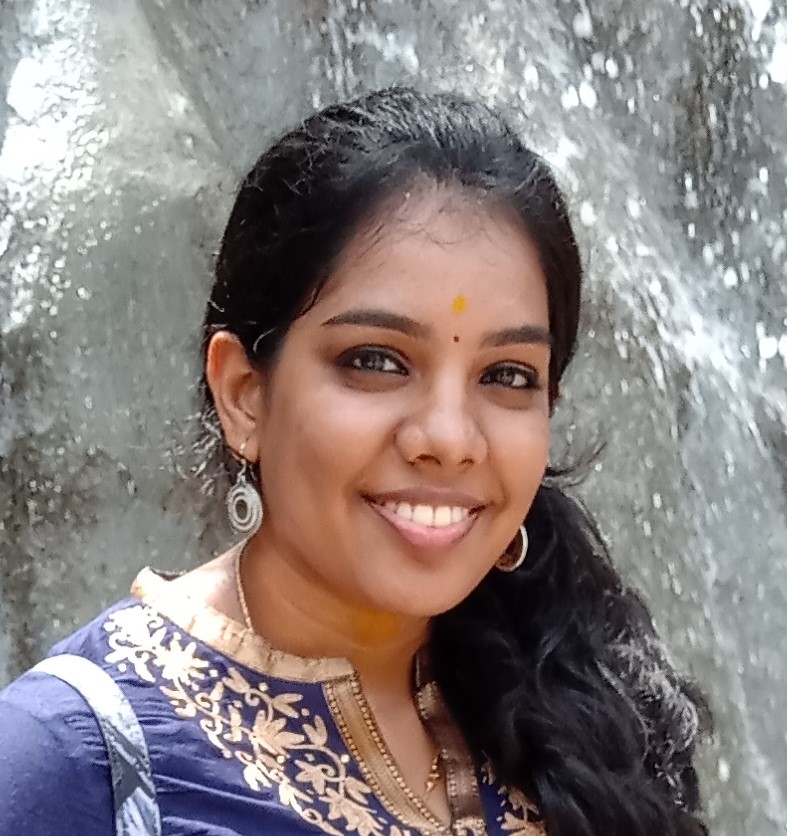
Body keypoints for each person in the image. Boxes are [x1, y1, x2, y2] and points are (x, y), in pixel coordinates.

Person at [0, 87, 709, 836]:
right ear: (244, 395)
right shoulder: (70, 761)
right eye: (376, 361)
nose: (449, 437)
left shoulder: (586, 722)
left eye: (506, 375)